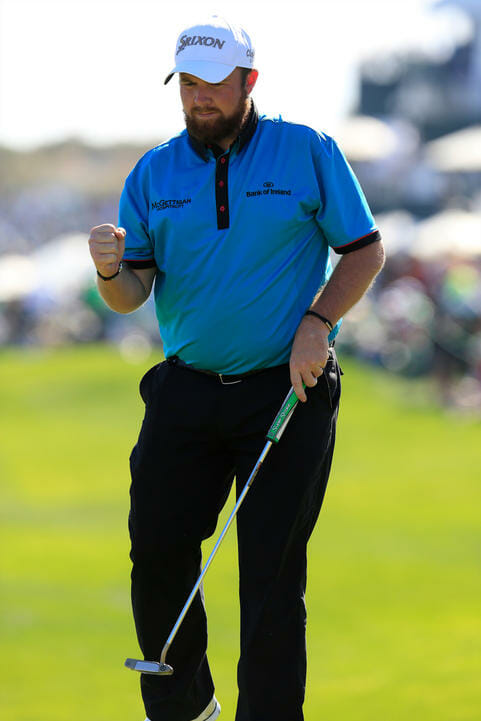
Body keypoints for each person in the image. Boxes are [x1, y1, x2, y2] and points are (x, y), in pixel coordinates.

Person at [88, 15, 385, 721]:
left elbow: (364, 250)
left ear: (248, 80)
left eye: (214, 83)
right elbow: (131, 293)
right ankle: (185, 707)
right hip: (186, 390)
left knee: (271, 577)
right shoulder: (153, 172)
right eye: (188, 84)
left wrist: (317, 323)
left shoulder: (306, 150)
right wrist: (107, 271)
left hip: (287, 389)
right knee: (156, 552)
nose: (199, 97)